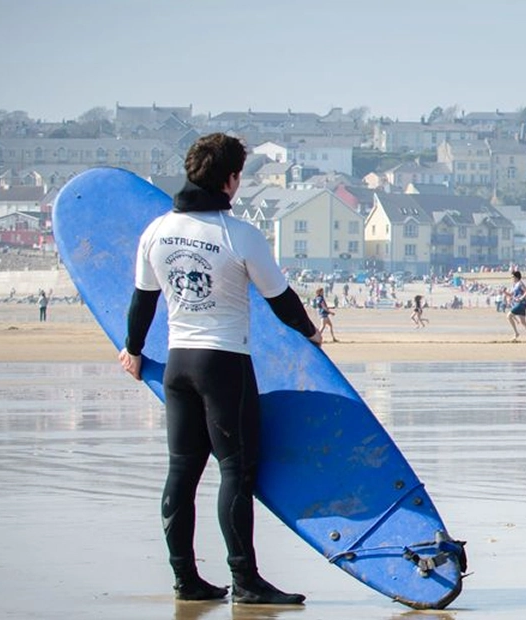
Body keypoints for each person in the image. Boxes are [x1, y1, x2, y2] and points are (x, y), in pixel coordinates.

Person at [119, 133, 316, 605]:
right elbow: (280, 301)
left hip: (177, 365)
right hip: (224, 365)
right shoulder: (239, 234)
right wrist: (310, 333)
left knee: (181, 474)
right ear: (231, 179)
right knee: (236, 471)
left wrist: (131, 349)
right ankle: (245, 582)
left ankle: (185, 580)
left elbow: (141, 303)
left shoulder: (156, 231)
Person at [505, 271, 526, 342]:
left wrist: (521, 298)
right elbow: (511, 294)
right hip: (519, 303)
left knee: (509, 316)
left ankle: (516, 333)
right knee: (523, 322)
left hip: (521, 303)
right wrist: (504, 292)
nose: (512, 278)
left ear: (516, 277)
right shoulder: (514, 285)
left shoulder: (520, 283)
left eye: (512, 277)